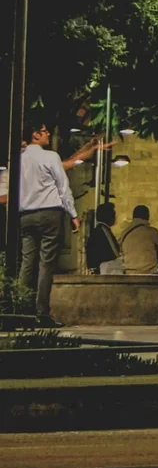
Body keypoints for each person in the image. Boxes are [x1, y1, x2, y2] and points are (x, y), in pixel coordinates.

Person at [14, 124, 95, 326]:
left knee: (27, 263)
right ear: (35, 134)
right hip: (50, 214)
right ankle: (41, 313)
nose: (48, 133)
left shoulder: (18, 159)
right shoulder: (50, 157)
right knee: (46, 264)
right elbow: (63, 186)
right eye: (44, 130)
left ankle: (21, 312)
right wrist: (73, 214)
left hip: (25, 216)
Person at [118, 205, 158, 275]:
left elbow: (120, 250)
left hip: (129, 270)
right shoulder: (153, 231)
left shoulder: (124, 233)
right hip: (151, 270)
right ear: (147, 216)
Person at [85, 201, 121, 273]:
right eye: (113, 215)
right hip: (104, 269)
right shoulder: (104, 230)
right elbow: (115, 252)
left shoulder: (98, 230)